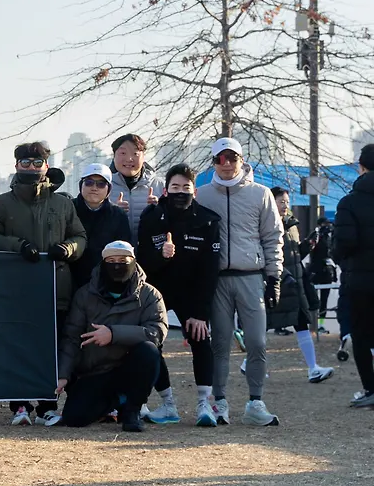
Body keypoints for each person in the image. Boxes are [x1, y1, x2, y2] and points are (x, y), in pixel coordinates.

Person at [0, 141, 87, 426]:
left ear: (46, 166)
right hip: (17, 289)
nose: (31, 167)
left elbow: (80, 237)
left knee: (52, 349)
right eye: (25, 163)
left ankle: (48, 405)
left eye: (37, 163)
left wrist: (68, 248)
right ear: (16, 165)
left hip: (56, 289)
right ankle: (19, 405)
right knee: (18, 348)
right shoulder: (2, 204)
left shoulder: (62, 203)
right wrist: (17, 246)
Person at [195, 137, 284, 426]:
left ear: (241, 160)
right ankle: (219, 401)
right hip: (217, 280)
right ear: (213, 163)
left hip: (251, 276)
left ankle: (255, 402)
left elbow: (273, 237)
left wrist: (274, 276)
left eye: (232, 158)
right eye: (220, 159)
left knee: (257, 342)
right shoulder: (201, 195)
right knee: (220, 343)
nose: (226, 164)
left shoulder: (261, 194)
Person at [135, 163, 222, 426]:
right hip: (158, 291)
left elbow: (210, 270)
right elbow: (142, 262)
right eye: (175, 187)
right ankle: (167, 403)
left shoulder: (208, 220)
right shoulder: (152, 216)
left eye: (186, 187)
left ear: (195, 191)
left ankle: (204, 404)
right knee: (151, 344)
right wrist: (161, 255)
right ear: (166, 190)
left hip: (192, 293)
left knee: (200, 338)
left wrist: (200, 313)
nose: (180, 192)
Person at [56, 241, 167, 432]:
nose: (117, 266)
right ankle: (118, 401)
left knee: (149, 351)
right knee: (74, 418)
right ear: (103, 264)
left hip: (129, 368)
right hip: (95, 371)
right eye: (111, 261)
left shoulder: (150, 295)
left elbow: (156, 332)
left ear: (133, 262)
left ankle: (132, 409)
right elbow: (71, 337)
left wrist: (113, 334)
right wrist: (63, 375)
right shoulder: (85, 295)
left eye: (123, 261)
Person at [333, 143, 374, 410]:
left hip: (361, 281)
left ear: (361, 167)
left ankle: (370, 392)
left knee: (362, 337)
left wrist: (341, 259)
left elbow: (344, 242)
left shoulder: (350, 202)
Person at [265, 187, 334, 384]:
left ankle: (313, 368)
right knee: (263, 326)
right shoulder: (265, 224)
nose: (285, 205)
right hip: (277, 282)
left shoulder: (292, 225)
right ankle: (251, 364)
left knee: (301, 323)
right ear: (270, 202)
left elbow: (295, 255)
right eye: (281, 201)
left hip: (296, 283)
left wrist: (308, 245)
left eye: (287, 202)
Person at [70, 162, 131, 293]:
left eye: (101, 184)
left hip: (104, 282)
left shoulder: (118, 215)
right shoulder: (68, 209)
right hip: (70, 279)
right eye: (89, 182)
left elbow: (124, 251)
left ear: (108, 189)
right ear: (81, 185)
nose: (94, 188)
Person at [109, 133, 163, 240]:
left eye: (135, 153)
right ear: (114, 156)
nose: (129, 159)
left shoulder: (160, 185)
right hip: (114, 250)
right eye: (123, 153)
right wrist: (112, 212)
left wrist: (160, 209)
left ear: (143, 157)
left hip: (150, 249)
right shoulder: (102, 186)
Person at [307, 216, 337, 332]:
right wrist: (318, 235)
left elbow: (332, 254)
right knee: (313, 300)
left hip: (327, 271)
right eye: (325, 224)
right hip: (315, 271)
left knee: (324, 300)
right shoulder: (315, 235)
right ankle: (312, 323)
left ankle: (321, 324)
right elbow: (310, 247)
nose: (327, 226)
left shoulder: (330, 237)